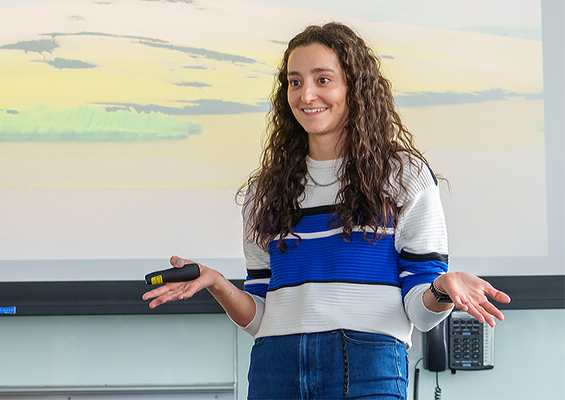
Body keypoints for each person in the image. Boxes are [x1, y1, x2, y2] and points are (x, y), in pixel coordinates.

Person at [143, 22, 511, 400]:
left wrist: (442, 289)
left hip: (368, 366)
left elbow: (419, 310)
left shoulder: (403, 176)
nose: (306, 94)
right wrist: (218, 283)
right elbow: (261, 317)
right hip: (275, 368)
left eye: (323, 79)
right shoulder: (264, 191)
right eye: (295, 82)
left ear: (354, 86)